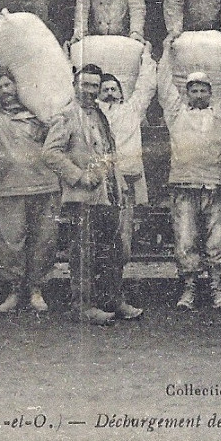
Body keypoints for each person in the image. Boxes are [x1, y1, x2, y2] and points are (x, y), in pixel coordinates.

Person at [44, 64, 139, 325]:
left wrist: (113, 183)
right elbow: (50, 153)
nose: (90, 91)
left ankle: (112, 300)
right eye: (85, 85)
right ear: (75, 85)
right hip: (81, 198)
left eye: (94, 86)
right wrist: (79, 177)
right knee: (83, 253)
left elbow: (108, 151)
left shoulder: (99, 115)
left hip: (106, 194)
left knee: (111, 251)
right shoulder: (65, 116)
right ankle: (83, 306)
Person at [157, 42, 221, 310]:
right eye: (194, 89)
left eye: (204, 89)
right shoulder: (175, 113)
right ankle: (189, 290)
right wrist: (166, 52)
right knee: (186, 238)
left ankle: (217, 290)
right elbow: (164, 86)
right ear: (187, 92)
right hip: (183, 184)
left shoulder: (220, 113)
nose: (199, 94)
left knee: (217, 239)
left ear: (210, 93)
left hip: (214, 184)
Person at [0, 68, 61, 313]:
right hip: (7, 188)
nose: (5, 91)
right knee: (10, 242)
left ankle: (36, 289)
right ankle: (14, 289)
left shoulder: (38, 113)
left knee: (43, 240)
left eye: (9, 85)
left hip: (44, 185)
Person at [97, 46, 157, 281]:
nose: (110, 93)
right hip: (101, 183)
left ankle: (117, 284)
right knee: (101, 235)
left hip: (127, 182)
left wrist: (147, 57)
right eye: (105, 90)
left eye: (114, 89)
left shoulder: (132, 110)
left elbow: (146, 87)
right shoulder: (94, 114)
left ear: (121, 93)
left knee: (123, 235)